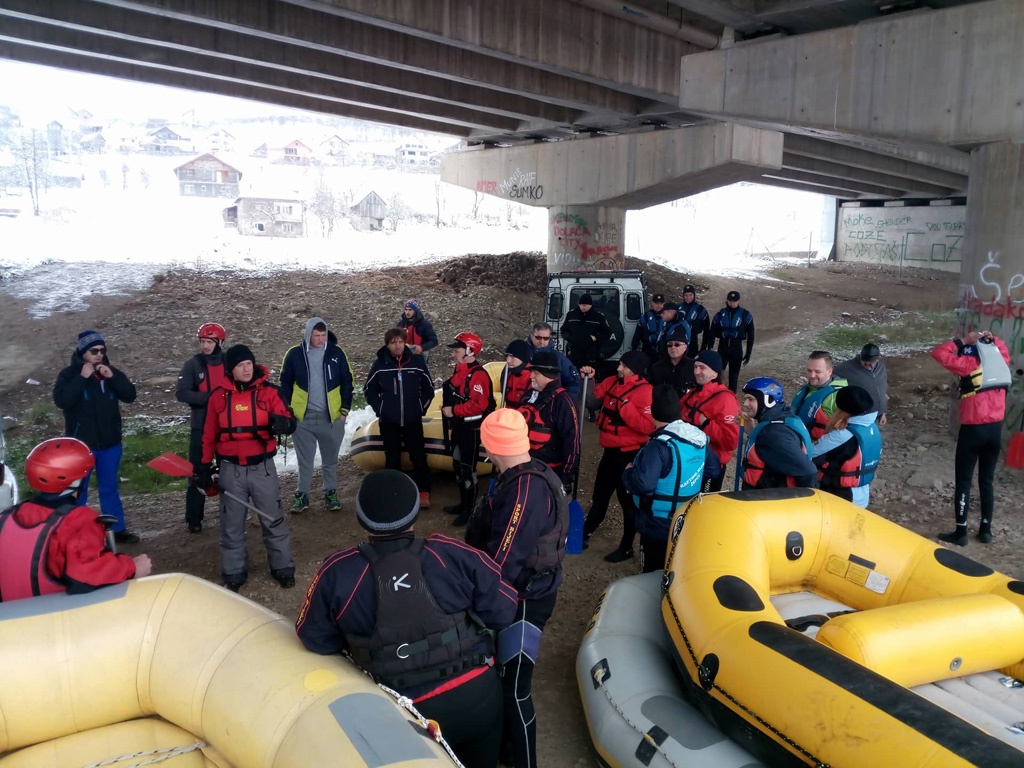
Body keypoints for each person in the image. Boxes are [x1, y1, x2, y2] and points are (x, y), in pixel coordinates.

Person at [296, 470, 517, 768]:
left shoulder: (336, 573)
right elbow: (503, 609)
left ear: (361, 519)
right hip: (474, 695)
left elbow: (316, 638)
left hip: (401, 711)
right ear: (415, 514)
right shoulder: (451, 554)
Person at [464, 410, 566, 768]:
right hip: (525, 591)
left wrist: (475, 599)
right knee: (506, 682)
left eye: (487, 447)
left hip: (524, 599)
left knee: (515, 688)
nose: (486, 454)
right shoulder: (531, 472)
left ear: (494, 447)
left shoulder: (524, 489)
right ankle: (506, 750)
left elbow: (503, 560)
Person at [197, 344, 297, 592]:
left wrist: (283, 423)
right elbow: (208, 434)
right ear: (231, 369)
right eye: (241, 365)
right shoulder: (218, 397)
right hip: (231, 470)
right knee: (231, 524)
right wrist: (203, 466)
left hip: (262, 467)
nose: (246, 369)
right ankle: (234, 572)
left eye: (249, 364)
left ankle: (283, 567)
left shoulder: (269, 392)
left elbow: (290, 419)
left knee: (273, 520)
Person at [0, 437, 152, 601]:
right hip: (51, 618)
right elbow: (85, 577)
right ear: (76, 481)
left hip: (8, 620)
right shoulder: (78, 520)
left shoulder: (6, 517)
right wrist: (132, 567)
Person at [53, 330, 139, 544]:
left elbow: (130, 395)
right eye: (94, 351)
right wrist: (81, 379)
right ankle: (75, 532)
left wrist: (113, 378)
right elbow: (62, 401)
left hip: (110, 443)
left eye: (102, 350)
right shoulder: (68, 375)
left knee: (109, 487)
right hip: (81, 447)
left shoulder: (110, 372)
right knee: (77, 492)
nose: (99, 355)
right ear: (83, 352)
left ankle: (117, 530)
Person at [931, 329, 1011, 546]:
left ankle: (961, 532)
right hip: (995, 431)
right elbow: (1002, 347)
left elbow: (939, 353)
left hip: (972, 430)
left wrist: (965, 340)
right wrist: (991, 338)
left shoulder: (969, 365)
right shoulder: (1002, 361)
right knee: (987, 481)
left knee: (964, 482)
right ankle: (986, 529)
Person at [623, 385, 707, 574]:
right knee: (677, 565)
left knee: (652, 570)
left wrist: (628, 472)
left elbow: (642, 484)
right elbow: (713, 468)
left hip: (658, 522)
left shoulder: (658, 446)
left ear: (653, 413)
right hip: (687, 515)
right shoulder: (697, 437)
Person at [580, 350, 654, 563]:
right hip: (609, 453)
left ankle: (627, 546)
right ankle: (584, 533)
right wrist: (589, 378)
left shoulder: (646, 392)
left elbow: (648, 427)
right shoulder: (612, 381)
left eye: (624, 365)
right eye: (620, 364)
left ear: (635, 369)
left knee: (627, 503)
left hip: (629, 456)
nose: (619, 368)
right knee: (600, 496)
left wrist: (626, 408)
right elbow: (593, 403)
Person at [280, 317, 354, 513]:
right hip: (303, 418)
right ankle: (302, 495)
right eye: (316, 335)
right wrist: (287, 411)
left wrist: (344, 411)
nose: (321, 340)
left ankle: (330, 493)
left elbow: (348, 381)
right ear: (308, 334)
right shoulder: (295, 354)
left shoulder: (336, 353)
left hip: (331, 417)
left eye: (323, 335)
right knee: (305, 461)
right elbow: (285, 383)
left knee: (330, 460)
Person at [365, 328, 435, 509]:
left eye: (401, 342)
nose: (398, 346)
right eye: (393, 342)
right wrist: (380, 409)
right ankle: (393, 494)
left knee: (418, 456)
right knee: (392, 458)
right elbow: (369, 389)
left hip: (412, 419)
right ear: (387, 345)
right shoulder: (380, 364)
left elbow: (428, 388)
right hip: (389, 421)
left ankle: (423, 492)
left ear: (405, 343)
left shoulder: (417, 362)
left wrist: (421, 408)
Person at [175, 322, 227, 534]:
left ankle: (230, 514)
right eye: (203, 342)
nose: (205, 346)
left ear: (219, 342)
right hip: (201, 426)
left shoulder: (228, 362)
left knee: (229, 472)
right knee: (197, 473)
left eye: (209, 342)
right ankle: (194, 518)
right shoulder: (192, 365)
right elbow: (182, 392)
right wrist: (209, 398)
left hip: (225, 427)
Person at [441, 332, 495, 526]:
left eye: (456, 350)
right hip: (460, 426)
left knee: (467, 468)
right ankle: (463, 504)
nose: (453, 354)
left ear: (470, 351)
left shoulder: (478, 375)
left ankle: (470, 510)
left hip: (471, 428)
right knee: (457, 464)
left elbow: (479, 405)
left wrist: (453, 410)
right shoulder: (461, 370)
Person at [739, 377, 817, 490]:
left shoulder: (774, 434)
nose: (745, 404)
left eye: (751, 399)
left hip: (767, 501)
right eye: (745, 399)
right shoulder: (782, 418)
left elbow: (808, 472)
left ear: (769, 400)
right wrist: (752, 431)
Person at [679, 350, 740, 493]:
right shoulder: (693, 393)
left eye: (702, 368)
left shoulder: (725, 400)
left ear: (715, 373)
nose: (696, 371)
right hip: (689, 461)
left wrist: (706, 424)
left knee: (701, 508)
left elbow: (730, 442)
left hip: (710, 467)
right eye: (695, 367)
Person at [516, 351, 580, 486]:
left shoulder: (563, 401)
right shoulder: (528, 395)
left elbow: (572, 440)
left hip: (549, 471)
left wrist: (567, 474)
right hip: (523, 464)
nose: (531, 376)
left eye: (536, 373)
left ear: (548, 375)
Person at [811, 386, 882, 508]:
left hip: (842, 497)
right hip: (862, 495)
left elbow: (811, 453)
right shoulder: (871, 427)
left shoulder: (843, 435)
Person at [791, 351, 848, 442]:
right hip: (796, 440)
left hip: (818, 449)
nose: (812, 375)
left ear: (830, 371)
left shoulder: (841, 396)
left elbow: (843, 433)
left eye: (817, 371)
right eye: (809, 370)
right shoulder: (807, 389)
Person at [705, 291, 755, 392]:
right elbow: (712, 332)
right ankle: (716, 396)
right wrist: (709, 347)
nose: (732, 303)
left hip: (736, 348)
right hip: (722, 347)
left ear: (738, 301)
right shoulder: (720, 315)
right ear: (727, 301)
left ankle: (732, 399)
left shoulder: (745, 315)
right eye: (730, 301)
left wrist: (748, 353)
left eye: (734, 301)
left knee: (734, 376)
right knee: (718, 375)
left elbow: (751, 335)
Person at [835, 343, 889, 426]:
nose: (867, 363)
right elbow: (829, 375)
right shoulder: (847, 367)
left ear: (877, 359)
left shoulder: (881, 368)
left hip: (876, 416)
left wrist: (882, 412)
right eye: (864, 360)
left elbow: (882, 391)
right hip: (858, 418)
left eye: (871, 362)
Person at [525, 322, 580, 399]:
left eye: (546, 338)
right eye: (538, 337)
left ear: (550, 338)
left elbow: (572, 383)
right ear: (531, 336)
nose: (542, 341)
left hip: (550, 401)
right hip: (522, 400)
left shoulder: (559, 358)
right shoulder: (522, 354)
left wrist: (566, 402)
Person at [562, 293, 611, 370]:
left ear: (590, 305)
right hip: (574, 350)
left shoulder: (598, 317)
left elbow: (607, 333)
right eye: (581, 305)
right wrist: (571, 338)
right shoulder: (571, 315)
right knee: (573, 372)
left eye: (584, 305)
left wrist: (595, 338)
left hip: (591, 352)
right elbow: (564, 330)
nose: (582, 307)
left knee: (589, 375)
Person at [648, 326, 695, 397]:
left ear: (685, 347)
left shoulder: (694, 367)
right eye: (669, 345)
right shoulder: (657, 367)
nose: (673, 347)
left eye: (677, 345)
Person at [631, 293, 666, 359]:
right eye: (656, 303)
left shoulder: (668, 317)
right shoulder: (645, 317)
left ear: (664, 304)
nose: (658, 305)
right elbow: (637, 335)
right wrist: (634, 349)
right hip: (648, 350)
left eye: (661, 303)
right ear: (652, 303)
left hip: (662, 351)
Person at [678, 284, 709, 358]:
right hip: (679, 340)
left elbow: (706, 330)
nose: (688, 297)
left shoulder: (700, 310)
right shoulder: (678, 308)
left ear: (694, 295)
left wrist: (703, 346)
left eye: (690, 295)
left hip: (693, 341)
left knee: (691, 364)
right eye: (686, 295)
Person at [502, 339, 534, 407]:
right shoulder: (507, 373)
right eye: (507, 356)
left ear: (523, 358)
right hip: (508, 414)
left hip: (524, 416)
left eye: (512, 357)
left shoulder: (533, 377)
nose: (508, 360)